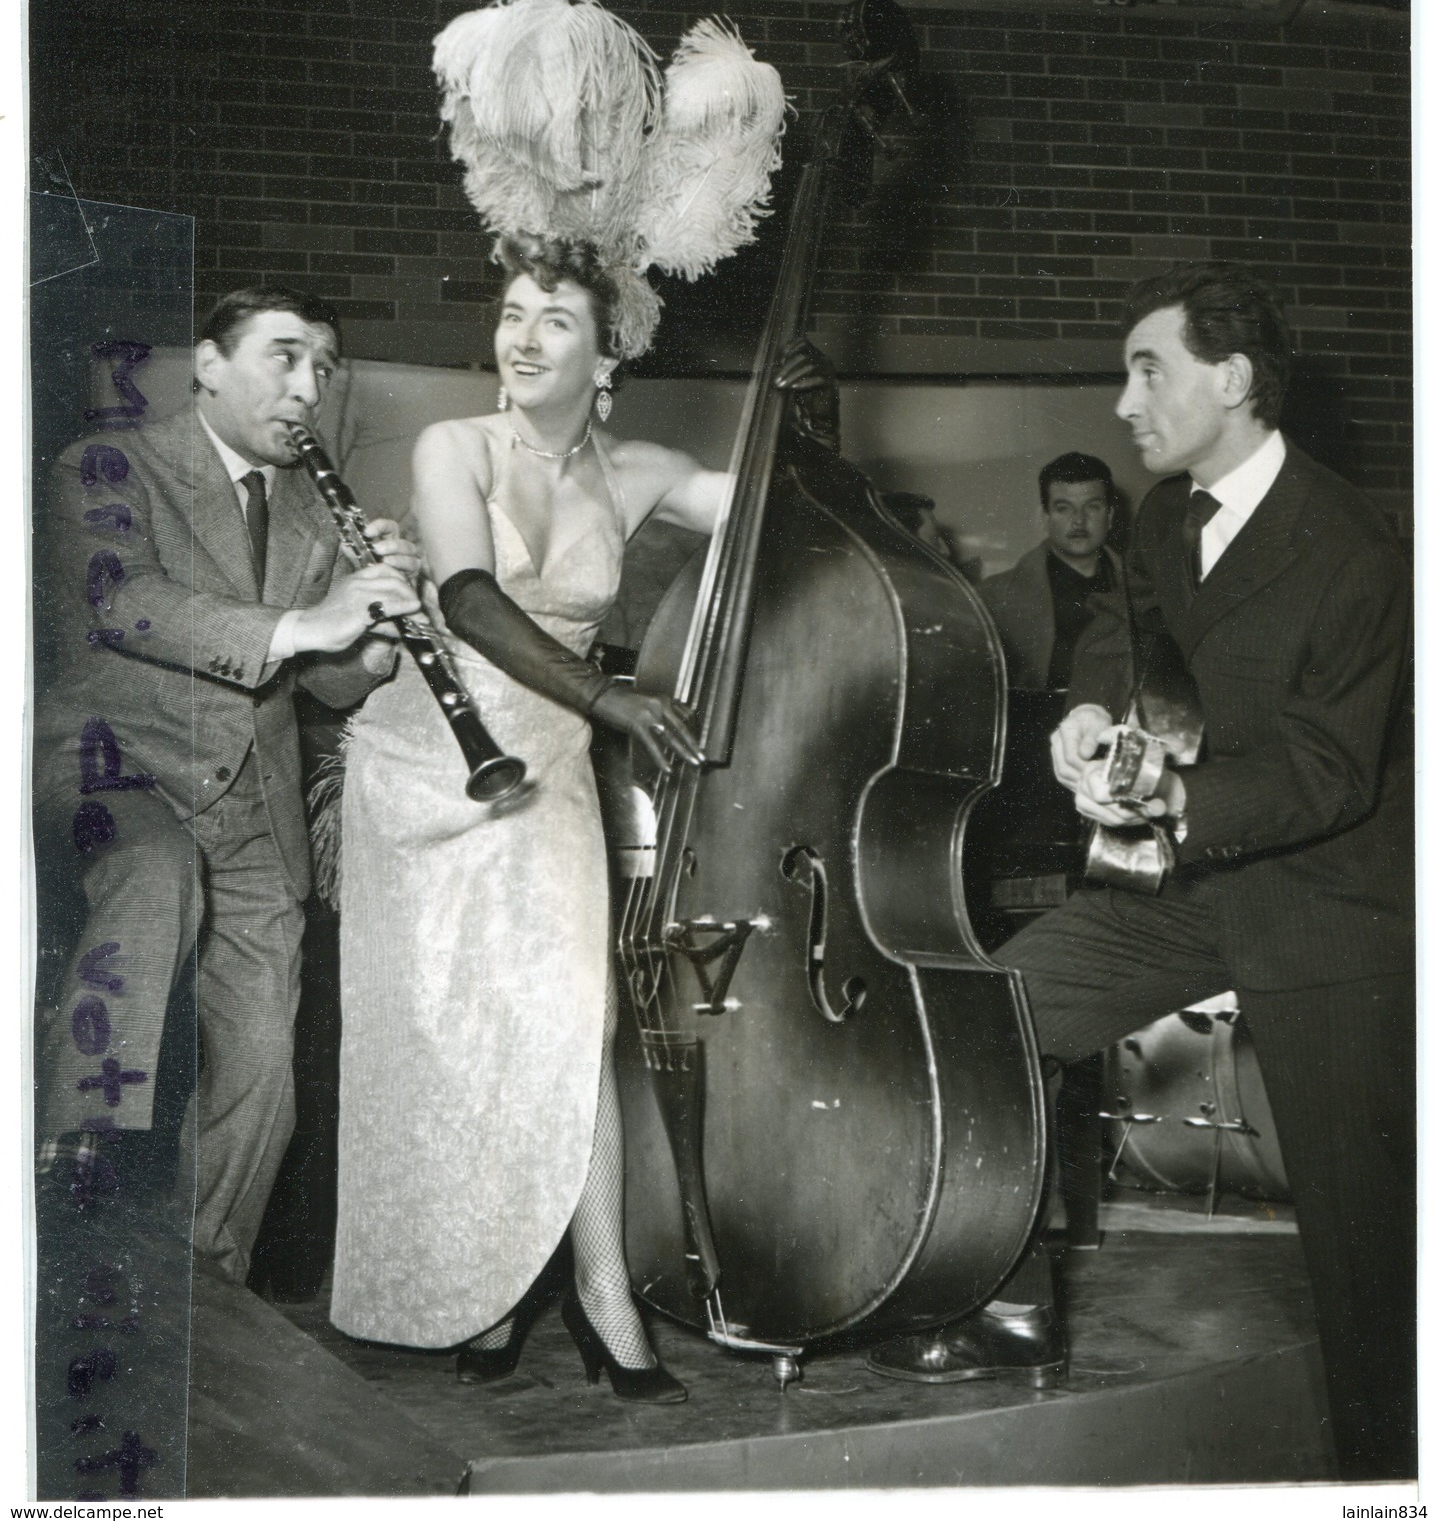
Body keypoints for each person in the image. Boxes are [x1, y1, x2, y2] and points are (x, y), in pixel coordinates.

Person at [867, 263, 1415, 1482]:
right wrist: (1093, 720)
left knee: (1371, 1275)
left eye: (1146, 369)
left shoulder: (1354, 547)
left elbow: (1333, 775)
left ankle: (1390, 1488)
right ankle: (1002, 1307)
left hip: (1330, 910)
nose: (1122, 401)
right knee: (991, 1017)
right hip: (1181, 885)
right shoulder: (1164, 518)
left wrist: (1174, 794)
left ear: (1231, 380)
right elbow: (1142, 656)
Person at [328, 234, 832, 1402]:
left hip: (544, 764)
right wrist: (610, 697)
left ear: (607, 358)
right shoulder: (454, 446)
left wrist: (812, 414)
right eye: (512, 313)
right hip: (427, 764)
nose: (523, 335)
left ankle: (603, 1295)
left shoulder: (644, 469)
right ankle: (495, 1288)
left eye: (556, 319)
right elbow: (461, 594)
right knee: (453, 1044)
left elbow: (777, 513)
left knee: (572, 1020)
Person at [34, 287, 422, 1285]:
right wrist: (307, 622)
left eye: (323, 369)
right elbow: (122, 602)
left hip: (251, 810)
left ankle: (204, 1281)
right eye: (284, 358)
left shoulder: (308, 508)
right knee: (157, 876)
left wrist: (376, 627)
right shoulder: (108, 465)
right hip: (117, 772)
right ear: (207, 365)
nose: (309, 388)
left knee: (263, 1072)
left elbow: (327, 678)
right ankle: (82, 1155)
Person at [977, 451, 1120, 691]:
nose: (1078, 521)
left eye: (1092, 507)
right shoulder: (993, 599)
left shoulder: (1146, 589)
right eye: (1064, 508)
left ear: (1111, 516)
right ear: (1044, 518)